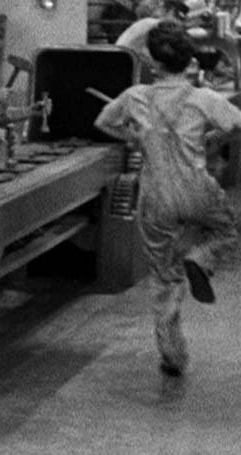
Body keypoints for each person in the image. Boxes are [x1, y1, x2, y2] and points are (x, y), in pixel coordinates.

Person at [94, 20, 241, 377]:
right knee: (226, 231)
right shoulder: (203, 98)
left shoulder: (136, 96)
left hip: (156, 194)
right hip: (197, 188)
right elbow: (237, 124)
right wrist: (212, 139)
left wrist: (135, 138)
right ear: (189, 60)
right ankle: (201, 257)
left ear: (153, 62)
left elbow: (104, 121)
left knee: (164, 275)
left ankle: (172, 354)